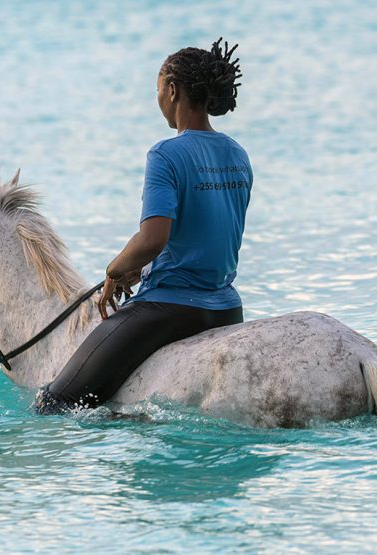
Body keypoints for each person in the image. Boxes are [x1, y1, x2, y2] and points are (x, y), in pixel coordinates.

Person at [35, 37, 252, 413]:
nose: (159, 99)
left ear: (173, 90)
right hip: (226, 308)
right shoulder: (237, 153)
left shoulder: (166, 153)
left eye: (158, 90)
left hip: (170, 308)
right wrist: (143, 268)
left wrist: (115, 270)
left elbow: (153, 238)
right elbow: (208, 233)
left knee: (55, 402)